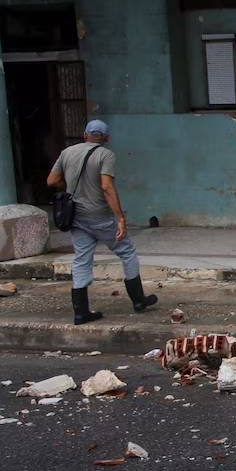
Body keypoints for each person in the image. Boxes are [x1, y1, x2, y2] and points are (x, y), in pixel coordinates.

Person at [47, 119, 157, 324]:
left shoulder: (67, 152)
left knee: (81, 260)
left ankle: (81, 312)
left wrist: (69, 187)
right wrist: (120, 219)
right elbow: (107, 187)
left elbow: (51, 181)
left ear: (84, 134)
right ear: (107, 138)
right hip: (100, 216)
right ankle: (139, 300)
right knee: (127, 251)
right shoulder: (106, 155)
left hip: (77, 217)